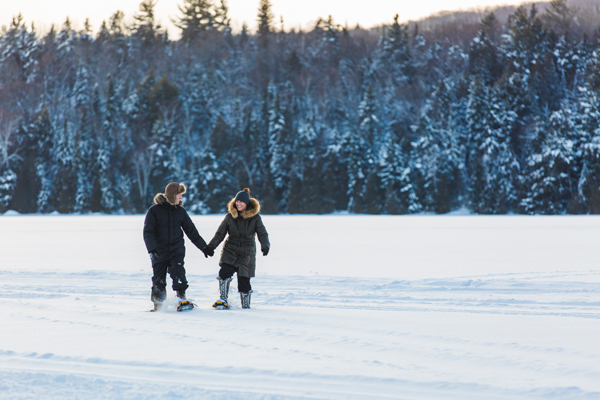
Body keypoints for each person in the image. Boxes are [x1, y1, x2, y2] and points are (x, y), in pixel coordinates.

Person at [143, 182, 211, 311]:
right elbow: (148, 232)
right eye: (179, 195)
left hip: (176, 249)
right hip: (159, 251)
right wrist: (151, 249)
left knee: (178, 273)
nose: (181, 198)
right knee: (159, 280)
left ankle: (182, 300)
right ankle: (158, 306)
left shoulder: (180, 211)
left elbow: (192, 231)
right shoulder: (154, 211)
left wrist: (204, 247)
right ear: (172, 195)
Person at [204, 188, 270, 309]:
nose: (238, 204)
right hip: (231, 250)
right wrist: (210, 247)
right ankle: (223, 299)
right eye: (237, 201)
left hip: (247, 252)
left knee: (244, 281)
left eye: (241, 202)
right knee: (224, 272)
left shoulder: (255, 218)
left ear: (247, 203)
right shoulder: (229, 217)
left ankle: (246, 306)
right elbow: (220, 234)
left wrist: (265, 246)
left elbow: (262, 233)